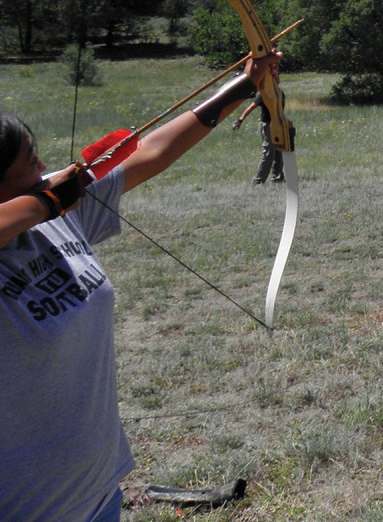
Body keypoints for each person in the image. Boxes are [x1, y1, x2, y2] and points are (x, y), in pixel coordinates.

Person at [0, 54, 279, 522]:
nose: (46, 167)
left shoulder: (57, 211)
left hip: (97, 487)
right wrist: (45, 202)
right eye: (31, 163)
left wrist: (241, 88)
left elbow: (149, 152)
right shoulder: (49, 205)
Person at [232, 89, 285, 184]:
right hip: (268, 126)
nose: (277, 77)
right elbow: (251, 107)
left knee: (278, 151)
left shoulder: (280, 93)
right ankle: (258, 181)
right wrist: (240, 120)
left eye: (277, 75)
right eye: (275, 76)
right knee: (269, 152)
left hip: (278, 125)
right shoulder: (264, 94)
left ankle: (278, 178)